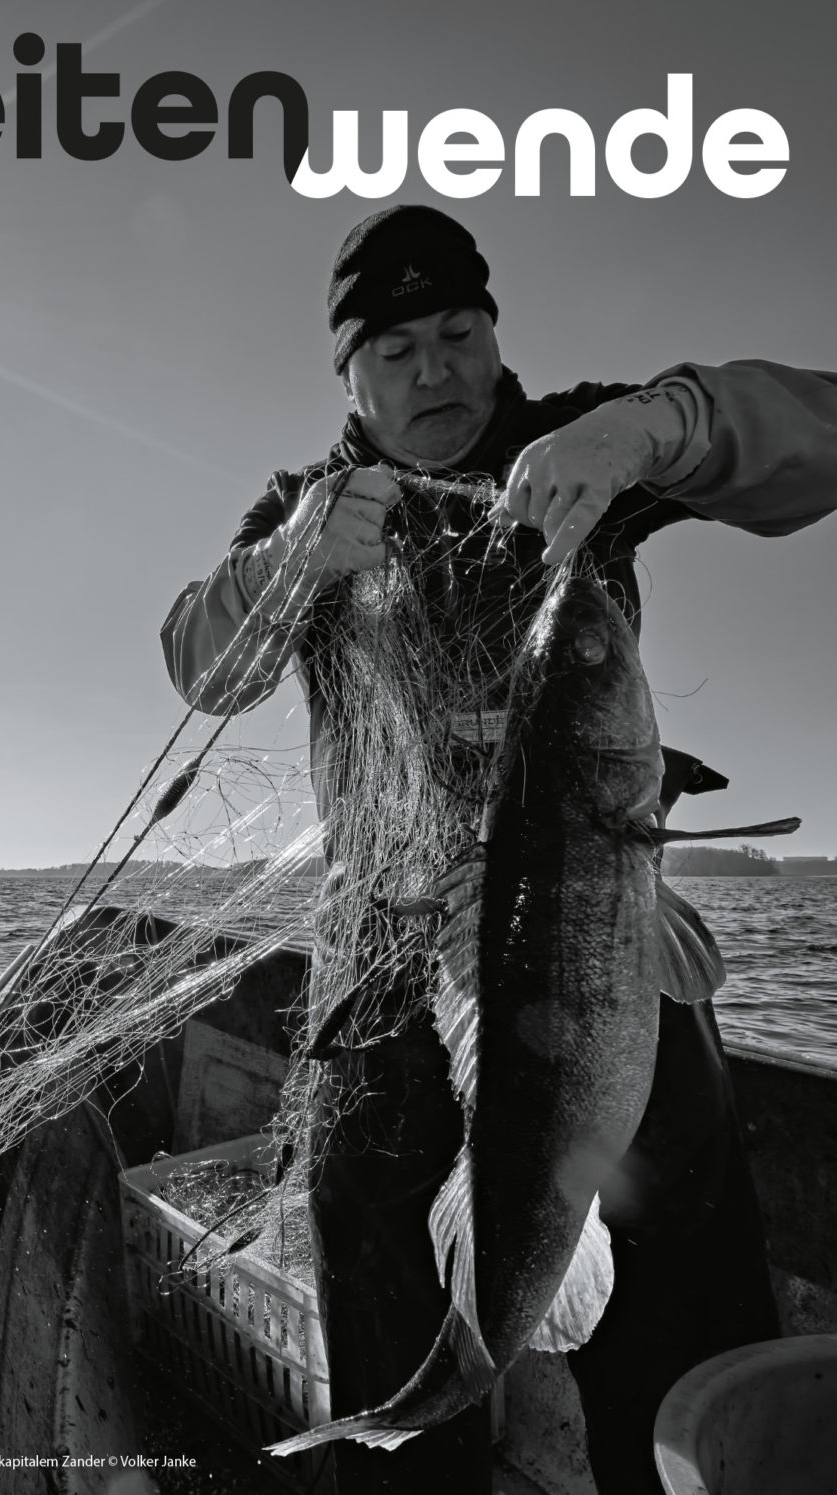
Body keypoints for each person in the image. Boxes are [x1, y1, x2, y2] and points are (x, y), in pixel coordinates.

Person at [160, 205, 837, 1494]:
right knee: (384, 1270)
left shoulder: (586, 442)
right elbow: (201, 663)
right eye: (398, 347)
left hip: (600, 933)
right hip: (391, 952)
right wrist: (285, 565)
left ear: (495, 331)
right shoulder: (311, 509)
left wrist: (659, 426)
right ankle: (412, 1433)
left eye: (461, 333)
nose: (438, 372)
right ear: (347, 375)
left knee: (672, 1282)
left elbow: (821, 437)